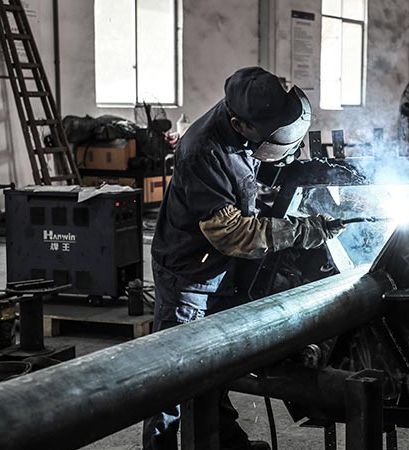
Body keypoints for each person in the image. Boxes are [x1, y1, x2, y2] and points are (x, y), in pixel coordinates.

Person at [143, 67, 344, 450]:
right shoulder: (203, 151)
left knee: (217, 363)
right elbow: (233, 234)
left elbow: (251, 178)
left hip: (220, 270)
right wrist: (301, 231)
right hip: (190, 276)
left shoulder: (247, 123)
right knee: (174, 375)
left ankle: (224, 442)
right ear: (240, 124)